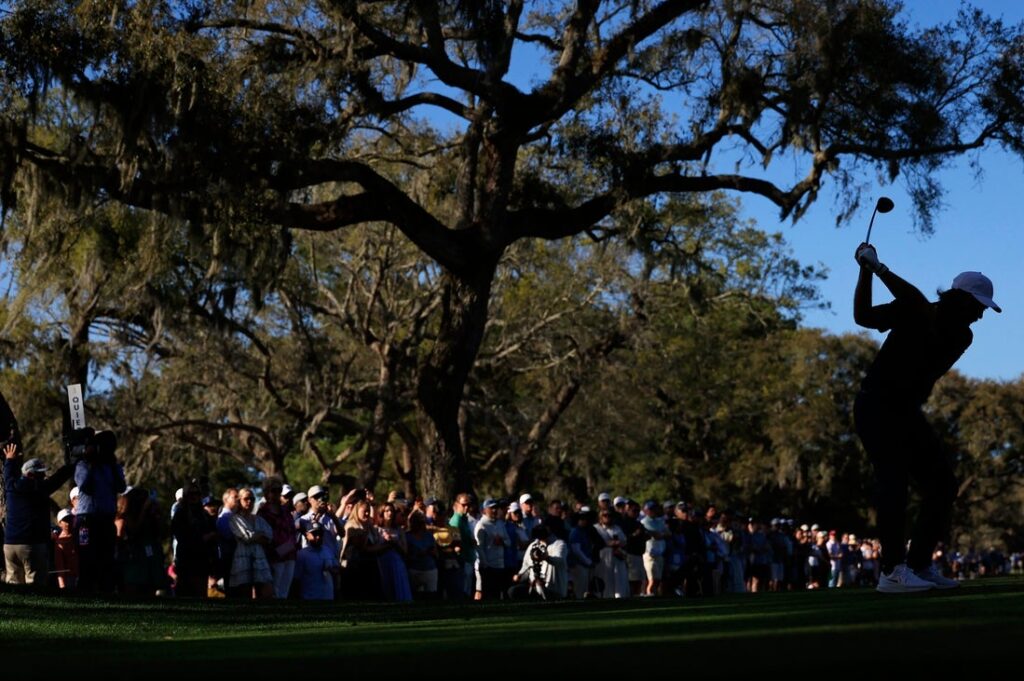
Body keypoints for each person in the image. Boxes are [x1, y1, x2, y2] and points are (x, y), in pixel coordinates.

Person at [853, 244, 999, 593]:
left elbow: (920, 307)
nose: (980, 316)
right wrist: (865, 271)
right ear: (962, 300)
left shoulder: (960, 334)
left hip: (904, 412)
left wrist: (878, 268)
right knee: (893, 481)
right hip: (876, 406)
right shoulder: (916, 309)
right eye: (978, 307)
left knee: (943, 485)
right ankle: (891, 572)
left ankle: (918, 564)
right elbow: (863, 316)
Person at [3, 443, 74, 585]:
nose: (44, 476)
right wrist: (72, 465)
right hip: (31, 544)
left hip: (10, 544)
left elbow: (8, 474)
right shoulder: (39, 488)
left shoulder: (11, 486)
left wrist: (9, 459)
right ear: (30, 474)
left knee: (14, 585)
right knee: (35, 585)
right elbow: (57, 479)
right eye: (40, 474)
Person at [73, 429, 127, 593]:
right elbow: (85, 486)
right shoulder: (83, 465)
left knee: (107, 558)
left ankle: (106, 592)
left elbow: (121, 487)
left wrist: (112, 467)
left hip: (106, 518)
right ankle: (85, 592)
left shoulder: (112, 467)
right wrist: (91, 463)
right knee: (87, 557)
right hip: (87, 519)